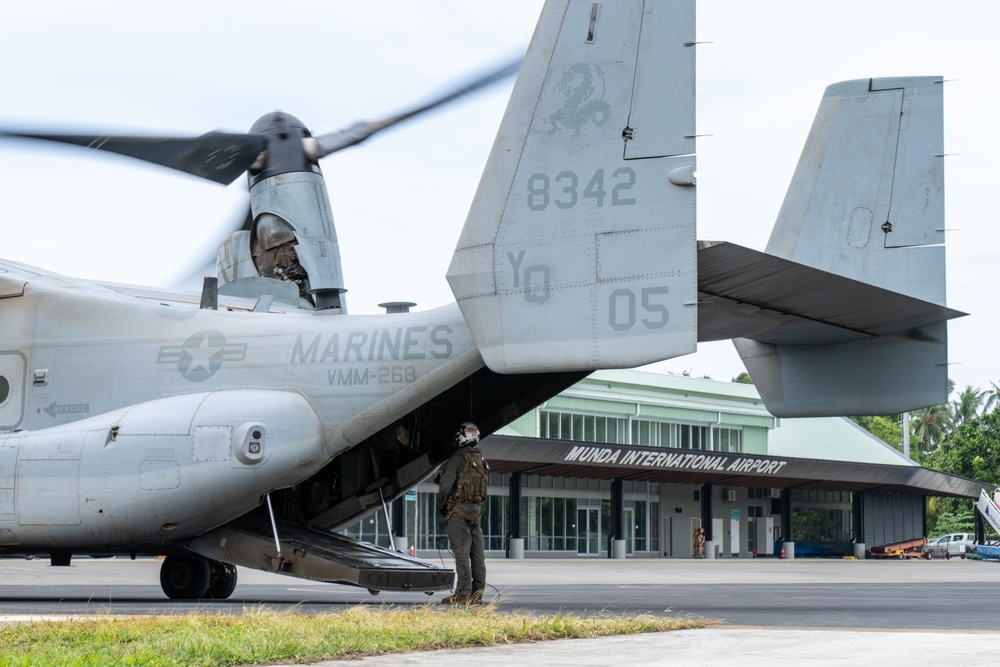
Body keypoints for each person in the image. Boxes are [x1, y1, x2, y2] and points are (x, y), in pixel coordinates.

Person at [436, 421, 488, 604]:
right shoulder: (479, 460)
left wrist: (442, 506)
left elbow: (444, 486)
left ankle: (463, 594)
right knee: (477, 556)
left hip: (458, 513)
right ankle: (477, 594)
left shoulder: (457, 459)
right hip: (475, 513)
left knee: (462, 555)